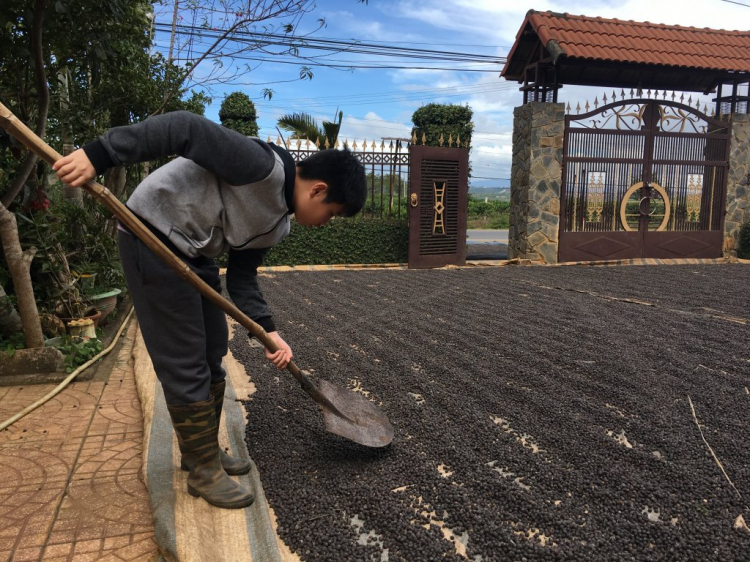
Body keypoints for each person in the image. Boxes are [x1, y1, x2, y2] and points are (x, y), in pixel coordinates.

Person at [53, 110, 367, 509]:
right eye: (333, 214)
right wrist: (100, 154)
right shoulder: (259, 166)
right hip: (151, 232)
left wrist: (267, 329)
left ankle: (199, 452)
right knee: (184, 357)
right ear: (318, 190)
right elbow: (186, 128)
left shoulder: (278, 224)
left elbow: (242, 278)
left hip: (194, 250)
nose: (326, 223)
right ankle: (203, 471)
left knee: (213, 346)